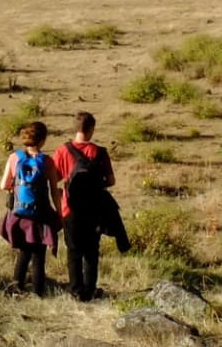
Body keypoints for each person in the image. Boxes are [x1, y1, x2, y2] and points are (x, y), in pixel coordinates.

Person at [52, 111, 124, 302]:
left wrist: (62, 190)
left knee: (73, 251)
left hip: (70, 208)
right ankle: (90, 290)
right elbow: (111, 180)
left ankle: (76, 290)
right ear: (91, 129)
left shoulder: (62, 151)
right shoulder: (100, 152)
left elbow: (54, 178)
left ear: (75, 128)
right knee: (92, 251)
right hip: (95, 208)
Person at [0, 120, 59, 296]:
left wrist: (16, 189)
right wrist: (59, 213)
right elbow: (54, 191)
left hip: (19, 214)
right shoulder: (47, 161)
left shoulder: (14, 158)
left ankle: (16, 288)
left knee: (24, 253)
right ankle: (39, 293)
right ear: (43, 140)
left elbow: (3, 185)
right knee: (39, 255)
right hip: (40, 215)